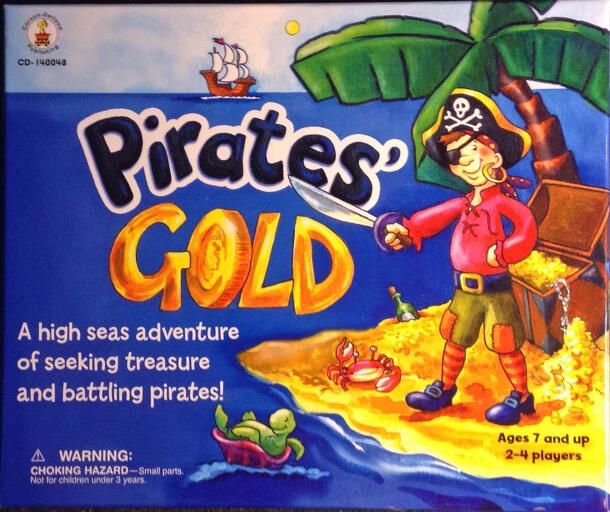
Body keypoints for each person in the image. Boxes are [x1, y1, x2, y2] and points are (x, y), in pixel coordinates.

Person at [374, 88, 537, 426]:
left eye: (472, 153)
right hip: (464, 290)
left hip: (495, 291)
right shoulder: (464, 203)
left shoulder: (503, 203)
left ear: (495, 157)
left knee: (505, 342)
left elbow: (526, 228)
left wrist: (503, 252)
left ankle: (521, 395)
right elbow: (434, 218)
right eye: (458, 159)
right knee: (454, 339)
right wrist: (408, 230)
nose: (466, 164)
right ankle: (445, 389)